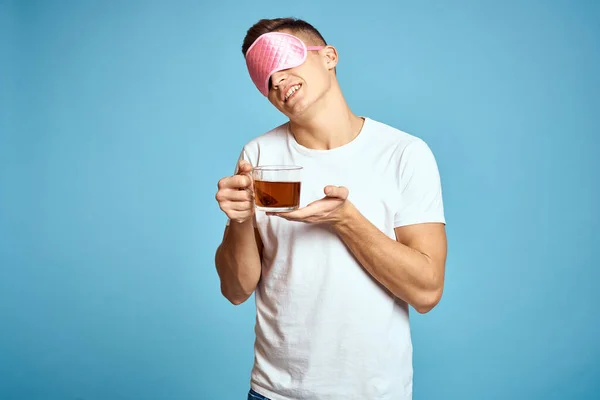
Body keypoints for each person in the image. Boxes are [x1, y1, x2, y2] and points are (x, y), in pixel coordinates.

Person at [214, 17, 447, 400]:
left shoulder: (404, 154)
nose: (276, 81)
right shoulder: (260, 156)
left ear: (329, 57)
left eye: (284, 60)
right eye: (264, 77)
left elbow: (427, 291)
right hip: (274, 393)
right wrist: (239, 222)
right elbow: (236, 290)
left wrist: (345, 220)